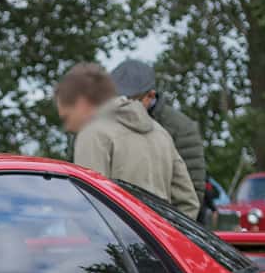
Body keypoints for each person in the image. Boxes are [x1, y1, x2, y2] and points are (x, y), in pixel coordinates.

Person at [56, 62, 198, 213]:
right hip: (157, 234)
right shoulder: (161, 132)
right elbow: (188, 200)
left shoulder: (92, 131)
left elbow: (88, 202)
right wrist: (168, 235)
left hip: (113, 235)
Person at [109, 59, 206, 196]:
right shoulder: (100, 123)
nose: (123, 105)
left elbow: (191, 190)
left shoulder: (181, 129)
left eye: (131, 100)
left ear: (150, 96)